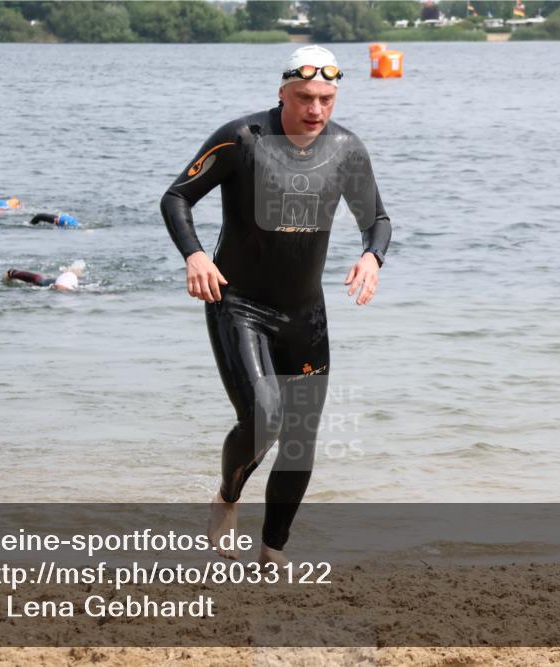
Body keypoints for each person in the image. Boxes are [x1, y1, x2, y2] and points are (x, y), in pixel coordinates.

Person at [160, 45, 392, 566]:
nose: (316, 109)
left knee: (299, 440)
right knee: (263, 418)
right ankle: (227, 495)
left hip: (304, 315)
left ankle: (273, 550)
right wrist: (195, 255)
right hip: (238, 303)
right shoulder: (243, 138)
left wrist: (372, 257)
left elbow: (377, 219)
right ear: (283, 93)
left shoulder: (346, 150)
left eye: (326, 98)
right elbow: (177, 197)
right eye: (305, 97)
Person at [5, 260, 85, 291]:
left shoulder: (78, 289)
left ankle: (72, 271)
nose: (58, 288)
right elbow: (12, 272)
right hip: (52, 281)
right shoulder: (43, 283)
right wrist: (11, 273)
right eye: (58, 286)